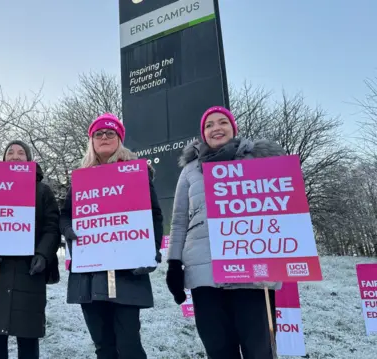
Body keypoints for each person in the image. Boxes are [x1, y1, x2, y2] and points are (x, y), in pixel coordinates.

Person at [166, 106, 285, 359]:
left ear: (234, 128)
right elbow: (178, 221)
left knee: (259, 350)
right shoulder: (190, 171)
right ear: (203, 133)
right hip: (203, 273)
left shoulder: (259, 161)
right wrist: (174, 263)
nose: (216, 128)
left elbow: (282, 205)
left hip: (253, 273)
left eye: (222, 122)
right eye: (209, 125)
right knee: (218, 350)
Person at [59, 113, 164, 359]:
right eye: (99, 134)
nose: (104, 137)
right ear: (92, 141)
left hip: (127, 272)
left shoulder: (136, 174)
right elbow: (65, 215)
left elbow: (155, 216)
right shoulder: (81, 179)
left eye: (110, 133)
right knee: (103, 346)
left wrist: (152, 251)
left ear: (119, 139)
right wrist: (66, 230)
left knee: (129, 345)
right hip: (89, 274)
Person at [0, 140, 61, 359]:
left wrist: (43, 254)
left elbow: (52, 226)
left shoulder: (42, 191)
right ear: (3, 159)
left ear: (29, 159)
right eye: (10, 152)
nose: (15, 155)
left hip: (29, 270)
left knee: (28, 333)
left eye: (21, 152)